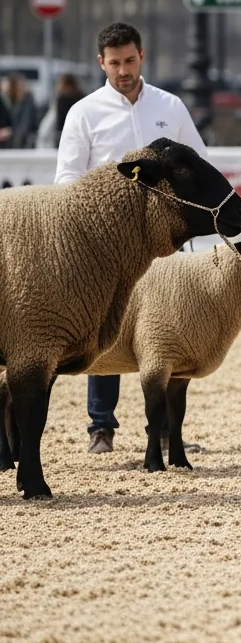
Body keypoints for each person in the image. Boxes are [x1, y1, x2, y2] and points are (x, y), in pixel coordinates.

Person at [56, 22, 207, 455]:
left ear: (142, 56)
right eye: (114, 63)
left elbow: (198, 164)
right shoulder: (83, 112)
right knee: (106, 329)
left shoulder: (170, 106)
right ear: (101, 63)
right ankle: (101, 427)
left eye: (129, 60)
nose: (123, 70)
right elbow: (67, 179)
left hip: (166, 241)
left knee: (169, 331)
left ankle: (167, 431)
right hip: (108, 245)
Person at [1, 74, 38, 148]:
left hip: (24, 141)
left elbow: (24, 125)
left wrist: (11, 132)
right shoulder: (8, 101)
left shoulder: (27, 102)